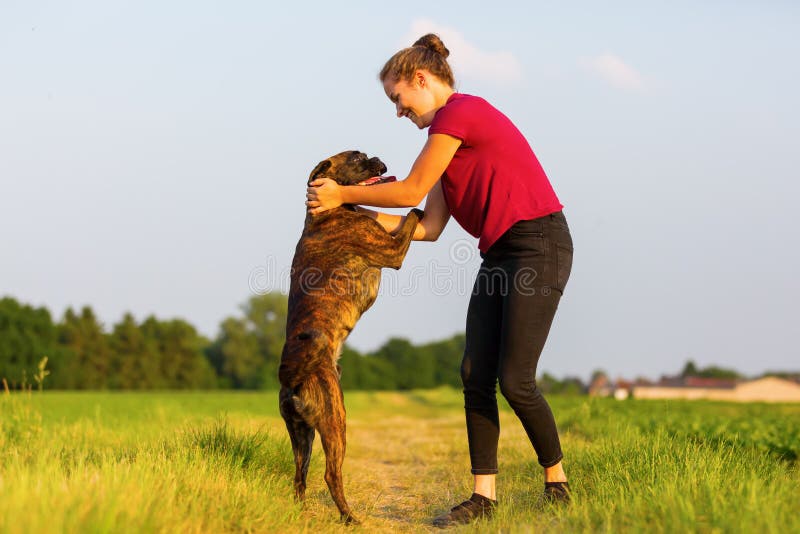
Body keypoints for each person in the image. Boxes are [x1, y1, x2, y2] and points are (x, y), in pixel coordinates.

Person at [306, 33, 574, 528]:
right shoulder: (446, 148)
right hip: (500, 253)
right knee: (475, 374)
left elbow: (409, 188)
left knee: (515, 380)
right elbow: (425, 227)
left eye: (397, 97)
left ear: (422, 80)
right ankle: (483, 498)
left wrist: (343, 194)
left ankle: (557, 484)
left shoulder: (460, 114)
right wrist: (340, 211)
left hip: (540, 244)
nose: (398, 111)